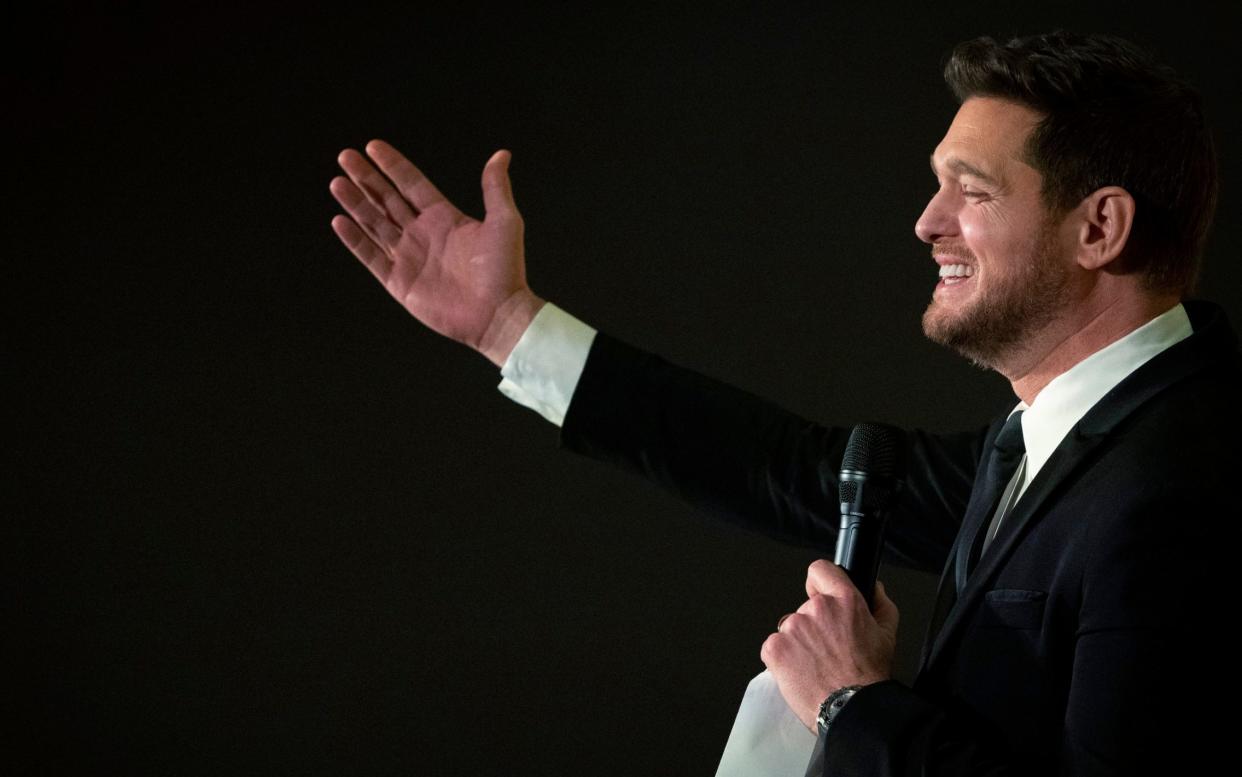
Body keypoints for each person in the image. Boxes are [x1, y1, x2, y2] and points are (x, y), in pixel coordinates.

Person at [327, 31, 1239, 776]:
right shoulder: (1055, 440)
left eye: (974, 190)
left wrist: (852, 703)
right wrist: (508, 327)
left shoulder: (1185, 479)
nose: (928, 221)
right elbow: (785, 464)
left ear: (1099, 227)